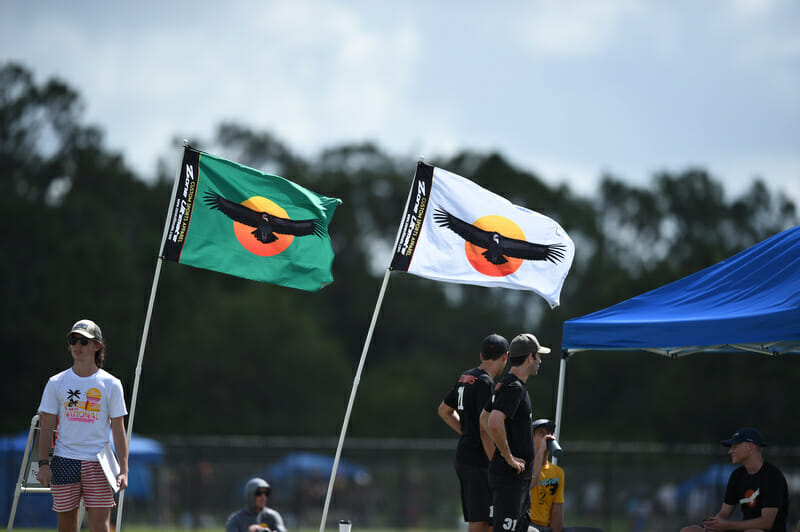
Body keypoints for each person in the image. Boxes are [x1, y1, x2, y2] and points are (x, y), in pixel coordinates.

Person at [35, 319, 129, 532]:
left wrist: (123, 469)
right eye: (73, 340)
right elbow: (46, 426)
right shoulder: (56, 382)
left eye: (83, 341)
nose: (77, 345)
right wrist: (43, 464)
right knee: (67, 527)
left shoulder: (111, 384)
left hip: (100, 463)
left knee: (100, 527)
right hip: (64, 460)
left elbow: (118, 429)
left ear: (97, 346)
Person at [438, 333, 510, 532]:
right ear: (505, 357)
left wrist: (466, 431)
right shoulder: (486, 383)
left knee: (486, 520)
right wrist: (496, 464)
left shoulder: (466, 377)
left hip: (465, 455)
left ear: (481, 355)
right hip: (478, 460)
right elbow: (484, 428)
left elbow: (444, 411)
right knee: (480, 520)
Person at [483, 333, 551, 532]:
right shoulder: (513, 387)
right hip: (510, 479)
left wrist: (503, 448)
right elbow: (493, 422)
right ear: (530, 357)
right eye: (538, 356)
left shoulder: (507, 383)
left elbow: (483, 419)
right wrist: (508, 456)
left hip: (515, 479)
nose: (540, 361)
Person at [679, 428, 789, 532]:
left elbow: (766, 523)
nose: (730, 451)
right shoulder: (737, 475)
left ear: (750, 446)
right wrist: (712, 526)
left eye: (735, 446)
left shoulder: (772, 476)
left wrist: (726, 525)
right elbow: (724, 514)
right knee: (689, 531)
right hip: (744, 529)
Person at [528, 419, 563, 532]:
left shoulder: (557, 472)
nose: (548, 437)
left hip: (546, 528)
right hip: (526, 525)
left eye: (550, 433)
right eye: (541, 433)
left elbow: (556, 510)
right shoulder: (522, 466)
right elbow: (531, 481)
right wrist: (540, 452)